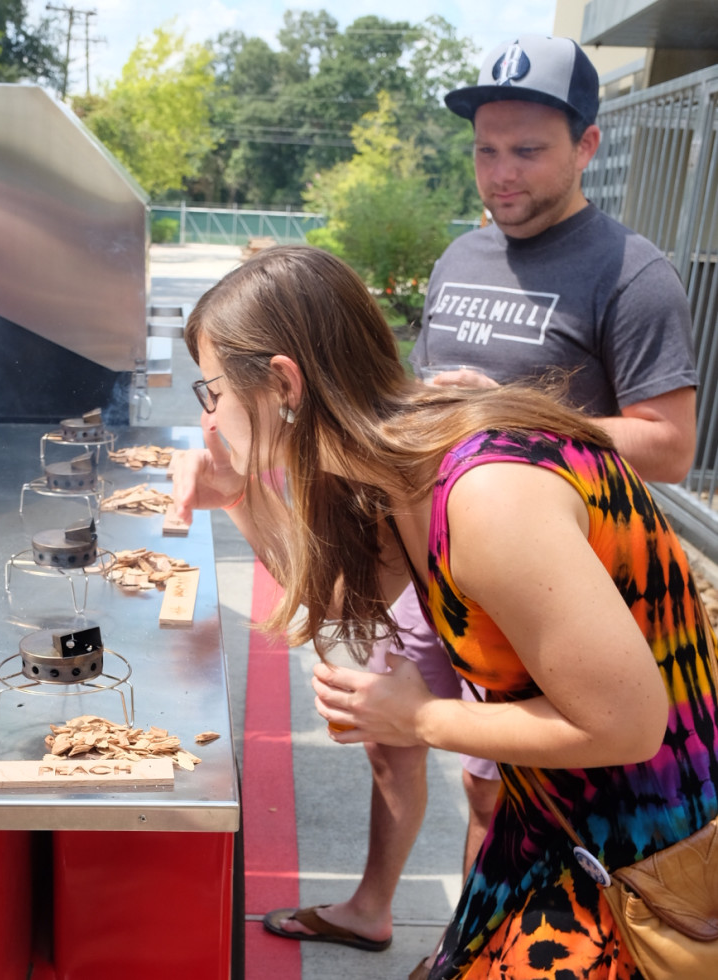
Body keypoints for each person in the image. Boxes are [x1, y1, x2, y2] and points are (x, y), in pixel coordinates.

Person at [169, 242, 717, 980]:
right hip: (556, 822)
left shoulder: (487, 493)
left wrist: (418, 719)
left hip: (641, 858)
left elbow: (626, 724)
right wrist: (240, 496)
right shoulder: (406, 453)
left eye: (210, 394)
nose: (207, 419)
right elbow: (341, 597)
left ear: (282, 383)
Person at [260, 33, 699, 953]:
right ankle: (375, 908)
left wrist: (500, 422)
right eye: (485, 149)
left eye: (527, 151)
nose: (500, 174)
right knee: (389, 739)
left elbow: (668, 446)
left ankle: (491, 936)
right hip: (433, 560)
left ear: (587, 146)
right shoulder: (463, 255)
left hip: (537, 579)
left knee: (497, 782)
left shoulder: (633, 272)